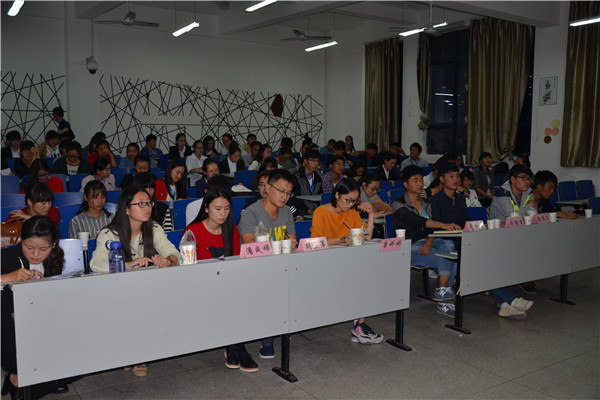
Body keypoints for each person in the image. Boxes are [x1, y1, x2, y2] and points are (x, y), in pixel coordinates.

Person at [90, 187, 179, 375]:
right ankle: (126, 350)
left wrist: (167, 260)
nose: (147, 207)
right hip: (117, 290)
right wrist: (127, 265)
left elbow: (174, 253)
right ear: (127, 209)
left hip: (146, 288)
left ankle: (140, 355)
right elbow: (96, 264)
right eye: (140, 204)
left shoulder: (154, 228)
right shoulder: (109, 233)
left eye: (148, 203)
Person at [1, 216, 71, 399]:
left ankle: (23, 381)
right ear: (21, 241)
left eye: (43, 249)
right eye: (29, 247)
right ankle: (17, 378)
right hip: (8, 320)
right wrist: (7, 277)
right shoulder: (6, 257)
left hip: (41, 319)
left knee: (76, 360)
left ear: (53, 245)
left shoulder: (56, 258)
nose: (35, 254)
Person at [310, 178, 383, 344]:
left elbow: (367, 236)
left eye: (354, 201)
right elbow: (315, 241)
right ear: (337, 195)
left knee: (366, 275)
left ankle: (360, 325)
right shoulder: (321, 212)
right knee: (361, 279)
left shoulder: (352, 213)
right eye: (347, 200)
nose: (350, 204)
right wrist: (341, 240)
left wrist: (371, 214)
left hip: (346, 261)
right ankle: (359, 326)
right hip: (325, 262)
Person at [238, 169, 299, 359]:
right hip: (256, 269)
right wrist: (280, 245)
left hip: (281, 266)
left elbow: (293, 240)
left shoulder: (286, 212)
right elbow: (249, 245)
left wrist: (286, 244)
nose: (284, 196)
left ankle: (284, 324)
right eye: (281, 191)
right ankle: (267, 336)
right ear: (267, 188)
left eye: (288, 193)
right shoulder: (251, 213)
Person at [392, 165, 461, 317]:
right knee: (448, 257)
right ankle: (444, 301)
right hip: (409, 246)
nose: (420, 183)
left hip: (428, 241)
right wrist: (443, 225)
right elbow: (418, 222)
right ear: (405, 184)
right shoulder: (398, 204)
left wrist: (429, 241)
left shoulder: (425, 202)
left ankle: (442, 292)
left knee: (448, 245)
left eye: (421, 180)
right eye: (415, 180)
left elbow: (431, 229)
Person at [430, 163, 470, 228]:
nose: (455, 180)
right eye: (451, 176)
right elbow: (436, 225)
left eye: (457, 176)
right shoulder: (435, 200)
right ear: (442, 179)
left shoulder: (461, 198)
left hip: (462, 233)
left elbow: (466, 221)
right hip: (444, 234)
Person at [292, 149, 323, 215]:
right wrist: (308, 210)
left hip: (315, 210)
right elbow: (295, 200)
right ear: (305, 161)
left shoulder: (319, 178)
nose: (315, 164)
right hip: (300, 211)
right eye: (313, 161)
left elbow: (320, 196)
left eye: (317, 161)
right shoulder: (296, 177)